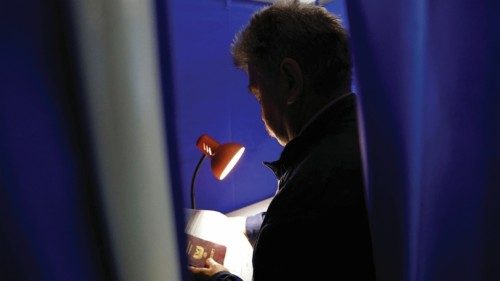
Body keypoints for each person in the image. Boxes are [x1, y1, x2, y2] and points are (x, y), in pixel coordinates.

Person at [190, 0, 375, 280]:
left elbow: (308, 216)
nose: (261, 111)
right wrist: (251, 225)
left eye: (259, 94)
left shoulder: (304, 196)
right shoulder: (372, 133)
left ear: (290, 81)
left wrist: (219, 278)